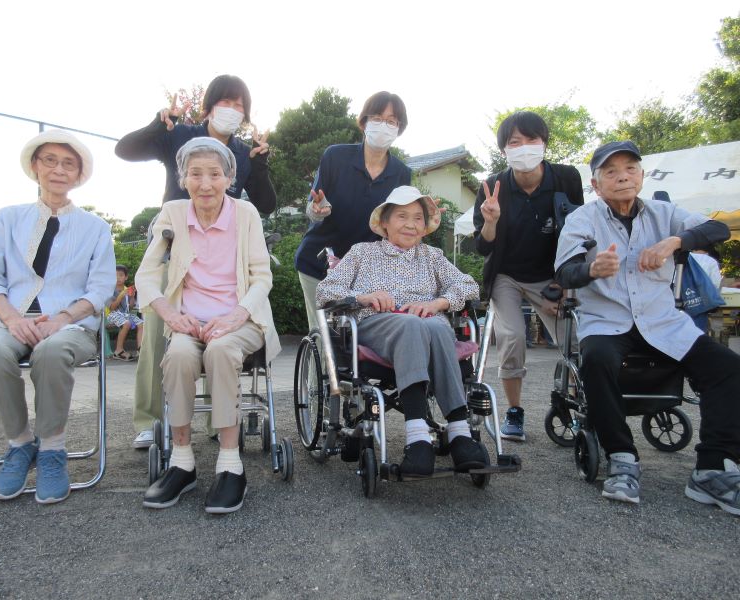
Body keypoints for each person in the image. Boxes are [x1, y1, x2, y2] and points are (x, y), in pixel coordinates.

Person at [555, 140, 740, 514]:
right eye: (611, 171)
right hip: (607, 321)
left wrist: (676, 241)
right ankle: (622, 457)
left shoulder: (664, 213)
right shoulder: (582, 219)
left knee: (727, 368)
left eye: (630, 168)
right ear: (596, 183)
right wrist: (592, 269)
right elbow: (563, 273)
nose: (622, 176)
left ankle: (712, 469)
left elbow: (718, 229)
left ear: (641, 175)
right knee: (595, 361)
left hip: (662, 320)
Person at [115, 74, 276, 449]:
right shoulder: (180, 134)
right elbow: (126, 150)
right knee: (161, 339)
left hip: (221, 256)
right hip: (175, 249)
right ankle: (151, 419)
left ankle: (213, 424)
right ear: (208, 106)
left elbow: (263, 205)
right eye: (227, 103)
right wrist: (158, 123)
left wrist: (262, 164)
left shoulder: (241, 153)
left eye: (240, 106)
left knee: (219, 337)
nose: (233, 112)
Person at [0, 130, 116, 504]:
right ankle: (19, 445)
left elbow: (100, 290)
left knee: (51, 351)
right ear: (35, 166)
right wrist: (12, 318)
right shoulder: (7, 219)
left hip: (71, 324)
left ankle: (52, 449)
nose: (58, 170)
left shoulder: (96, 229)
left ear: (79, 174)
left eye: (68, 163)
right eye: (49, 160)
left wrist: (62, 318)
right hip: (9, 319)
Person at [135, 137, 280, 513]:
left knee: (220, 349)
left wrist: (237, 314)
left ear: (229, 177)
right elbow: (147, 276)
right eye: (195, 174)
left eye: (214, 174)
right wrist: (169, 314)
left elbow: (262, 277)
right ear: (183, 178)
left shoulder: (246, 214)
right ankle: (182, 461)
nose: (205, 183)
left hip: (240, 319)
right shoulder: (172, 213)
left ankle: (231, 464)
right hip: (187, 320)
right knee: (181, 355)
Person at [316, 186, 487, 477]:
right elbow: (325, 291)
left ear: (425, 226)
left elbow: (469, 286)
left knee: (436, 324)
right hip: (377, 325)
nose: (410, 224)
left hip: (427, 329)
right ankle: (418, 438)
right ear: (384, 222)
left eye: (418, 218)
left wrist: (438, 302)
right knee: (413, 324)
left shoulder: (432, 257)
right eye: (402, 216)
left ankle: (459, 432)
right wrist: (364, 297)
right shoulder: (362, 253)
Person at [472, 111, 583, 441]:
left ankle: (579, 402)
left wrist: (562, 285)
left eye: (531, 140)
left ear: (544, 143)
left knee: (575, 339)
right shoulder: (493, 185)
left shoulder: (566, 178)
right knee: (513, 337)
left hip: (551, 275)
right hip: (506, 274)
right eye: (514, 142)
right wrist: (490, 221)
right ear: (504, 150)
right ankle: (515, 411)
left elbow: (577, 233)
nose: (524, 147)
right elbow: (482, 247)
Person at [294, 91, 412, 333]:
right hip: (319, 263)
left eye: (392, 121)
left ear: (399, 128)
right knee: (324, 339)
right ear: (364, 122)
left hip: (364, 273)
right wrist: (318, 209)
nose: (384, 125)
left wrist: (423, 220)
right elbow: (313, 207)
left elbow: (397, 226)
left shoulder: (401, 173)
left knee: (356, 343)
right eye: (378, 118)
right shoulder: (335, 157)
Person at [107, 264, 144, 360]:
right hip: (111, 315)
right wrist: (121, 295)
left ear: (126, 277)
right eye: (115, 275)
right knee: (126, 323)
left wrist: (132, 296)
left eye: (120, 275)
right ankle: (118, 351)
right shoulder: (109, 290)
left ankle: (140, 349)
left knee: (141, 324)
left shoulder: (126, 289)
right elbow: (112, 307)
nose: (118, 278)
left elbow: (130, 307)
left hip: (125, 314)